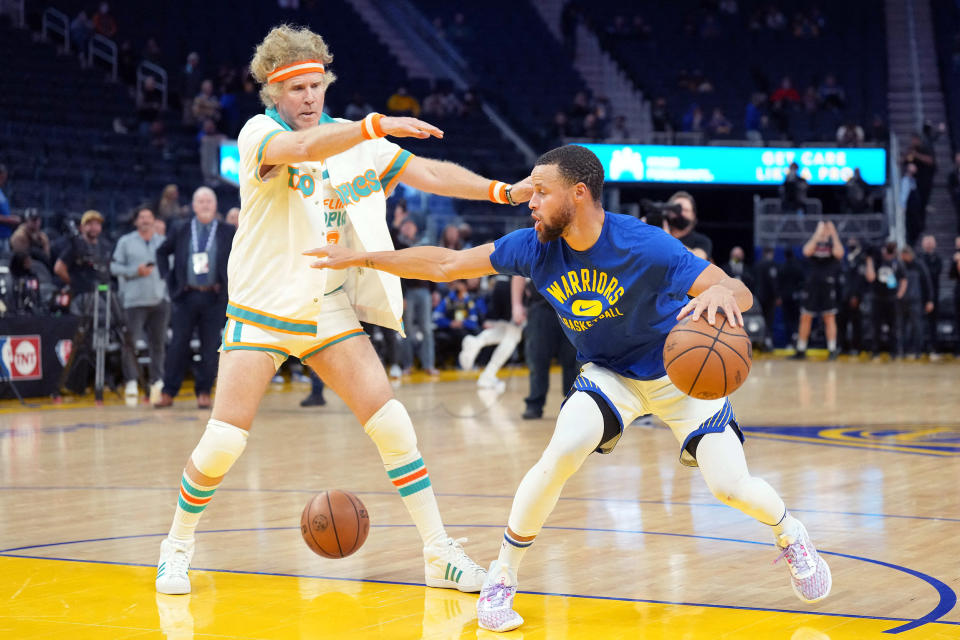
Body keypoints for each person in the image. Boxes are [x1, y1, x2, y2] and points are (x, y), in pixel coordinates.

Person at [306, 144, 832, 631]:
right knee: (562, 449)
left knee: (729, 487)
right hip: (609, 375)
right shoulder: (534, 247)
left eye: (540, 191)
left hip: (680, 375)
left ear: (577, 194)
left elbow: (734, 287)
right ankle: (502, 576)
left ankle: (791, 533)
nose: (528, 200)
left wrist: (721, 296)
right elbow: (445, 264)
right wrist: (363, 259)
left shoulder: (644, 244)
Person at [153, 24, 532, 597]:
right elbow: (304, 150)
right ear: (274, 95)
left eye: (315, 85)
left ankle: (439, 553)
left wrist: (504, 191)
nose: (308, 97)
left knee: (393, 423)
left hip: (326, 304)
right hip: (262, 307)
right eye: (296, 89)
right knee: (224, 441)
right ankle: (176, 547)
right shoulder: (259, 133)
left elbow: (428, 173)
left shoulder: (355, 139)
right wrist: (372, 125)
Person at [153, 187, 234, 409]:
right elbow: (161, 252)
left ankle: (204, 391)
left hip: (214, 298)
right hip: (185, 297)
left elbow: (239, 258)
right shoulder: (181, 228)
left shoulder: (228, 231)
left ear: (215, 205)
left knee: (210, 347)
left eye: (209, 200)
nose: (205, 204)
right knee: (178, 345)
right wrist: (169, 280)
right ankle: (168, 391)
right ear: (194, 205)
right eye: (201, 201)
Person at [55, 210, 140, 397]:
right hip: (84, 298)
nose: (94, 227)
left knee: (119, 333)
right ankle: (79, 382)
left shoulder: (105, 246)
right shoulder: (75, 246)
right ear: (83, 227)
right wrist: (75, 284)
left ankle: (120, 379)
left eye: (97, 224)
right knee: (85, 340)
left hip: (105, 295)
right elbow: (58, 267)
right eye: (90, 224)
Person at [110, 206, 170, 404]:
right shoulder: (125, 242)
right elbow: (114, 266)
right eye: (141, 217)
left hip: (159, 299)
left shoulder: (163, 242)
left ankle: (157, 382)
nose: (145, 220)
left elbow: (171, 266)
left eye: (149, 217)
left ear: (154, 221)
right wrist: (135, 271)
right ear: (136, 221)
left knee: (158, 344)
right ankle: (131, 381)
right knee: (130, 344)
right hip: (134, 301)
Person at [458, 274, 523, 392]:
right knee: (514, 335)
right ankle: (489, 374)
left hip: (499, 285)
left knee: (504, 331)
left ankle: (477, 342)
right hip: (513, 287)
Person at [791, 221, 844, 360]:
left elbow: (839, 253)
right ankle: (801, 349)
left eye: (827, 227)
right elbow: (806, 251)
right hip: (812, 284)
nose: (825, 229)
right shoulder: (814, 241)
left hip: (828, 284)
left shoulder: (833, 242)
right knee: (806, 316)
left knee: (829, 317)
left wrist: (833, 233)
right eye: (823, 227)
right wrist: (817, 234)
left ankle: (832, 350)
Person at [865, 242, 907, 359]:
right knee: (875, 326)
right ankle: (875, 351)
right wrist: (869, 259)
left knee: (894, 326)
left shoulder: (897, 263)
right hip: (877, 298)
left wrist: (899, 294)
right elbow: (870, 277)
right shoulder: (877, 261)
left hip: (892, 299)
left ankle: (895, 351)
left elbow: (904, 279)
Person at [898, 246, 934, 359]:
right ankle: (902, 351)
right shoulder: (900, 266)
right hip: (901, 302)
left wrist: (929, 300)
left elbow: (927, 283)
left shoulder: (919, 265)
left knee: (917, 327)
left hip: (915, 301)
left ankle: (918, 351)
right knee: (901, 327)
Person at [666, 191, 712, 260]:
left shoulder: (702, 241)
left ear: (693, 215)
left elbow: (697, 259)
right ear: (669, 212)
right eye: (677, 209)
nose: (681, 213)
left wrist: (666, 239)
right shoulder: (656, 235)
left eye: (686, 210)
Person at [918, 234, 942, 356]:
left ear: (934, 244)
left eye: (930, 242)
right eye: (926, 242)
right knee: (919, 323)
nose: (928, 244)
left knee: (933, 323)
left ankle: (933, 348)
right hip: (919, 295)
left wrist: (930, 300)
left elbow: (933, 274)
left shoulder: (937, 259)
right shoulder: (919, 258)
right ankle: (920, 348)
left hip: (933, 295)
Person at [752, 247, 780, 350]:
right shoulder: (772, 265)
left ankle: (760, 342)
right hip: (769, 298)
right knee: (768, 321)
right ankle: (767, 343)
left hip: (758, 297)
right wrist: (777, 296)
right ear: (771, 253)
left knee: (759, 320)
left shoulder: (757, 265)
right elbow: (773, 282)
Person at [0, 164, 20, 249]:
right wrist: (10, 220)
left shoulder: (1, 192)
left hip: (4, 236)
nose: (4, 180)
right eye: (2, 177)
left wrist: (11, 217)